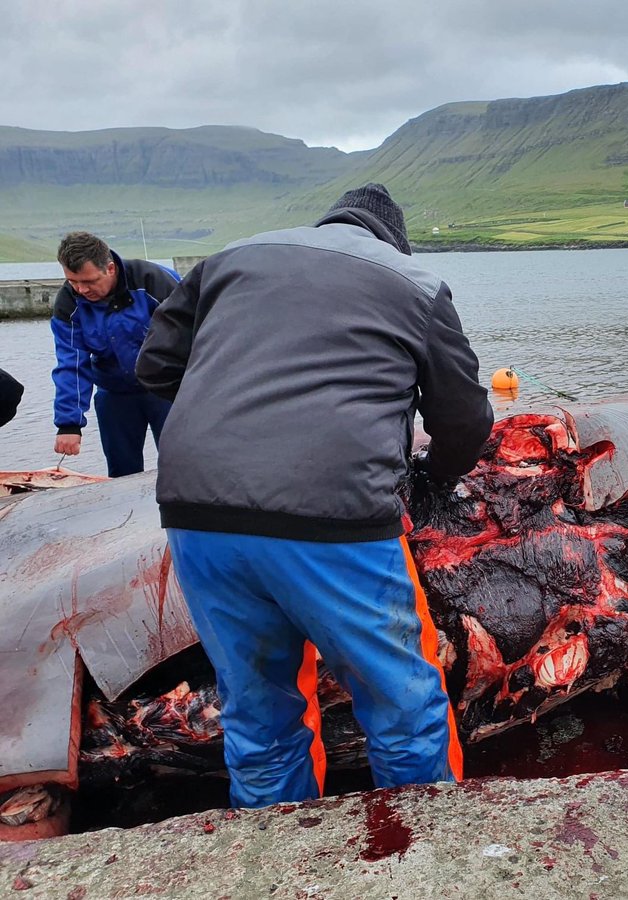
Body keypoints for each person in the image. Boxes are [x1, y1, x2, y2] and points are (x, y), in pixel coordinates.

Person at [136, 183, 494, 808]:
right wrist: (435, 477)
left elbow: (156, 367)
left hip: (198, 514)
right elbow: (465, 420)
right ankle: (425, 852)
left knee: (258, 711)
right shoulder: (414, 284)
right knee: (400, 701)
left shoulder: (231, 258)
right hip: (335, 522)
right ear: (394, 240)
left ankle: (280, 863)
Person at [51, 232, 180, 476]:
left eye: (89, 281)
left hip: (168, 390)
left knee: (184, 464)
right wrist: (69, 424)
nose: (81, 289)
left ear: (110, 268)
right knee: (122, 473)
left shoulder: (154, 281)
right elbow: (71, 364)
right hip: (115, 395)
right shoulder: (69, 303)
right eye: (72, 281)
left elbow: (195, 335)